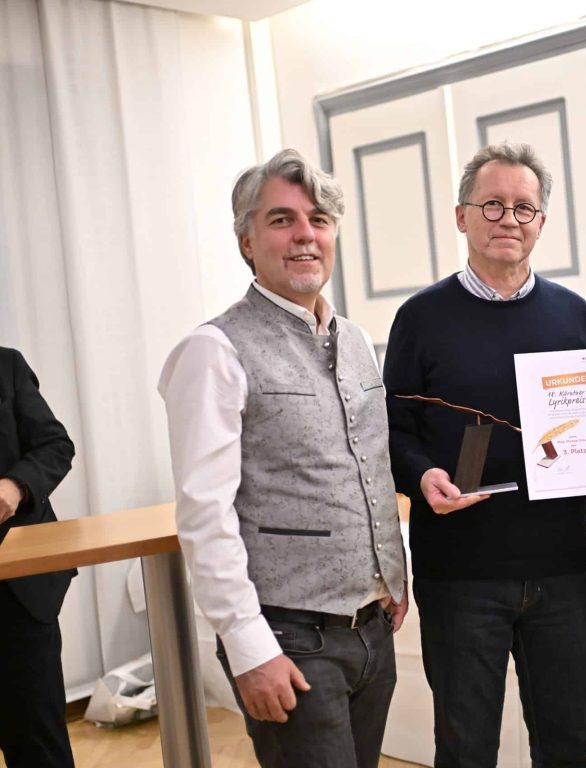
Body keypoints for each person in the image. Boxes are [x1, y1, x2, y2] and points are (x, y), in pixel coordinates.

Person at [384, 142, 586, 768]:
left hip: (558, 567)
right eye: (492, 205)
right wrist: (422, 476)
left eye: (523, 208)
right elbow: (392, 431)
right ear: (462, 216)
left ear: (541, 222)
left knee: (567, 747)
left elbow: (579, 424)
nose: (509, 219)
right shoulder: (420, 318)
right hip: (459, 572)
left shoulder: (571, 313)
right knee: (466, 750)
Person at [158, 149, 407, 768]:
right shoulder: (214, 350)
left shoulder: (356, 340)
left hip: (371, 630)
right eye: (282, 220)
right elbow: (205, 515)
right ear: (246, 241)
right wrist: (248, 647)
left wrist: (392, 578)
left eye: (319, 220)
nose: (305, 234)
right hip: (288, 639)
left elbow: (367, 468)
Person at [0, 347, 76, 768]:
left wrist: (15, 485)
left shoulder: (6, 365)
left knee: (39, 746)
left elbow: (55, 445)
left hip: (20, 595)